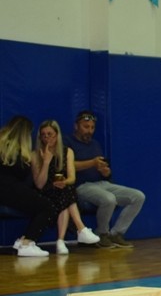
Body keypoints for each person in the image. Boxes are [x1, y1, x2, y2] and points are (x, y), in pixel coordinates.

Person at [66, 110, 146, 248]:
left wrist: (105, 172)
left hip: (102, 183)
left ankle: (116, 233)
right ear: (76, 126)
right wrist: (92, 163)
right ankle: (101, 234)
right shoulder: (68, 142)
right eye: (86, 127)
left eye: (92, 128)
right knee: (109, 199)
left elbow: (102, 168)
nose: (89, 131)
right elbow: (68, 166)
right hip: (82, 185)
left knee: (138, 196)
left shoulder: (95, 144)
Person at [31, 120, 101, 254]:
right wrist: (46, 162)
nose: (47, 138)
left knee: (65, 191)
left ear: (57, 135)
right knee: (66, 194)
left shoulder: (67, 152)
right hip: (44, 191)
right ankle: (80, 230)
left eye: (50, 134)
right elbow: (39, 184)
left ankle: (61, 240)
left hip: (62, 189)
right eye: (43, 135)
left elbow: (72, 178)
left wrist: (64, 182)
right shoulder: (35, 155)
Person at [0, 116, 62, 258]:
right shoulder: (18, 151)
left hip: (6, 189)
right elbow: (21, 174)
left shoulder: (3, 144)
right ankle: (28, 242)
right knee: (47, 207)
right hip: (8, 188)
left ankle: (22, 242)